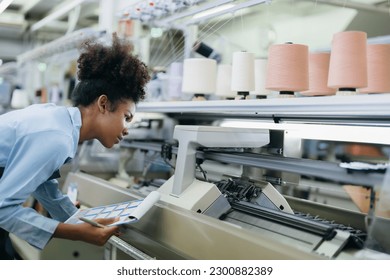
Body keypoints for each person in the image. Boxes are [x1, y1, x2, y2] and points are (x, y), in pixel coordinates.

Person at [0, 33, 151, 259]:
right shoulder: (56, 136)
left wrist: (78, 219)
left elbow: (43, 185)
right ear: (103, 104)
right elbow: (3, 209)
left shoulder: (58, 121)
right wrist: (77, 233)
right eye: (126, 117)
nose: (127, 128)